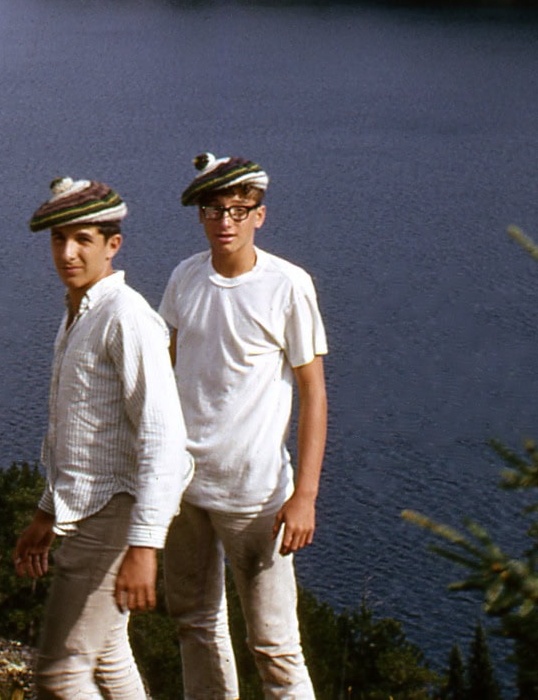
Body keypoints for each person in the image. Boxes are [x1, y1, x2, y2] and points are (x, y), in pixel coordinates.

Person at [158, 153, 329, 700]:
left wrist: (304, 495)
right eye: (214, 209)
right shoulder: (185, 277)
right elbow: (165, 374)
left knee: (274, 645)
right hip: (184, 488)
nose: (225, 221)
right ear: (201, 215)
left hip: (255, 496)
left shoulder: (288, 286)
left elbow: (314, 394)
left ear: (261, 215)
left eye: (239, 209)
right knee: (195, 623)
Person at [14, 177, 188, 700]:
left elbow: (164, 438)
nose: (67, 253)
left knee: (60, 674)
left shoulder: (125, 317)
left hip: (114, 515)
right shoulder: (81, 312)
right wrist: (48, 511)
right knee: (109, 654)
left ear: (113, 245)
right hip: (88, 507)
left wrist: (144, 548)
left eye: (83, 240)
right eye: (58, 239)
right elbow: (84, 438)